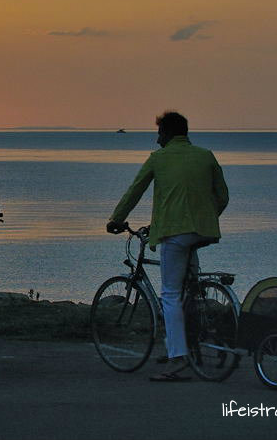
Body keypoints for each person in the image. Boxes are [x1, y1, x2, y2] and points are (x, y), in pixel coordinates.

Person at [106, 111, 229, 382]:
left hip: (175, 234)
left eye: (159, 132)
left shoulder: (158, 159)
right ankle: (193, 342)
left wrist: (116, 219)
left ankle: (178, 359)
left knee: (170, 294)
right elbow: (222, 196)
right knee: (190, 289)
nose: (157, 138)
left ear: (168, 134)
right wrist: (206, 217)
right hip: (203, 231)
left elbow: (134, 190)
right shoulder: (205, 155)